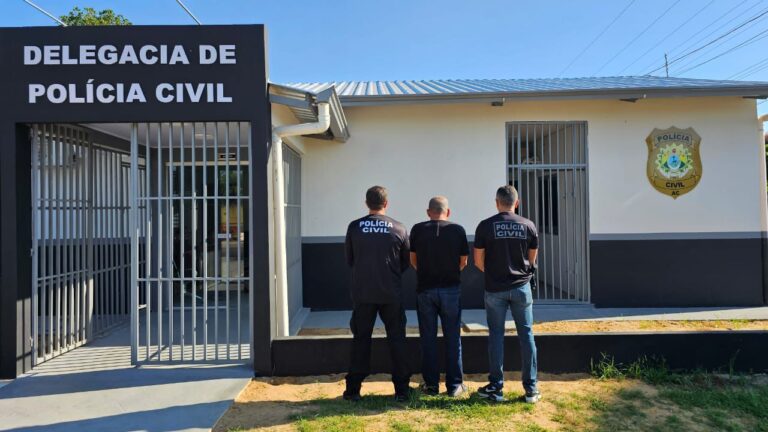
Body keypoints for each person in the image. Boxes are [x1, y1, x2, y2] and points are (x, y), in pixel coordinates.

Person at [343, 185, 412, 402]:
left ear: (367, 203)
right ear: (386, 203)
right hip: (391, 293)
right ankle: (402, 390)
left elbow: (350, 259)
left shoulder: (355, 227)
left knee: (361, 340)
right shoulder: (399, 228)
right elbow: (405, 262)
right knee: (397, 339)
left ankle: (353, 390)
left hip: (363, 292)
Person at [473, 185, 540, 403]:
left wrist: (494, 273)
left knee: (496, 336)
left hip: (495, 289)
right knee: (526, 335)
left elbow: (478, 261)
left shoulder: (485, 226)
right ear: (516, 203)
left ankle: (496, 387)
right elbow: (532, 259)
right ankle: (531, 389)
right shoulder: (528, 225)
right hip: (522, 287)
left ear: (497, 203)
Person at [410, 196, 469, 397]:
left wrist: (426, 272)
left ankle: (431, 385)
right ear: (448, 212)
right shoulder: (458, 230)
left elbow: (413, 260)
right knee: (453, 338)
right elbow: (463, 262)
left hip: (425, 289)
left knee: (428, 338)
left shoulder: (417, 229)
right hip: (451, 289)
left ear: (428, 212)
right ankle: (455, 386)